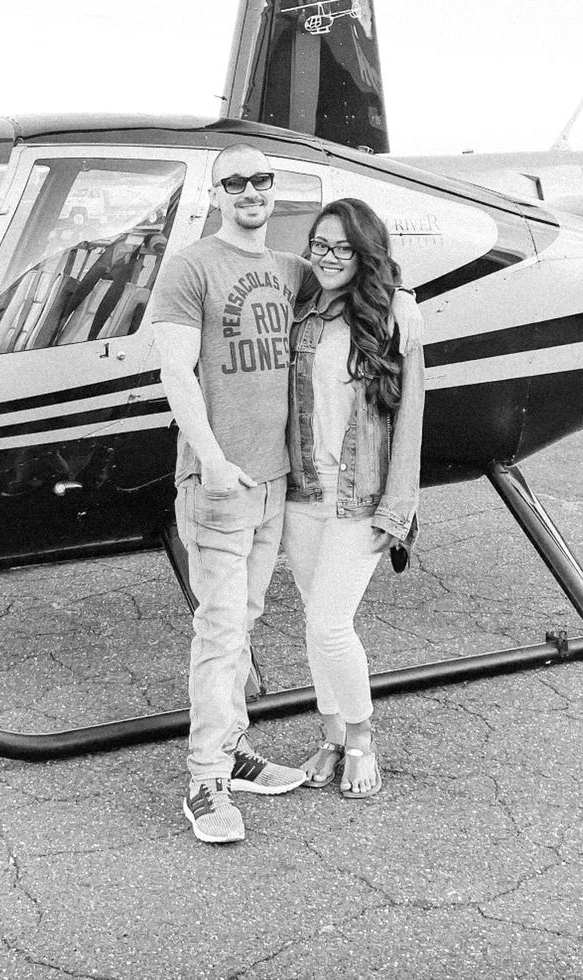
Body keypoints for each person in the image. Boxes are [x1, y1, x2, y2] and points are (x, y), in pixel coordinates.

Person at [151, 146, 416, 844]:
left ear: (274, 189)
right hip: (223, 482)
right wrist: (211, 460)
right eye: (234, 181)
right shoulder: (190, 268)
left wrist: (405, 303)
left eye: (260, 180)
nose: (249, 191)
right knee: (221, 630)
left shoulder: (292, 272)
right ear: (216, 191)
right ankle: (206, 780)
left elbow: (363, 277)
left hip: (283, 485)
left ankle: (236, 748)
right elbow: (175, 372)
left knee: (245, 621)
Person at [283, 197, 424, 801]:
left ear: (365, 254)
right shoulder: (301, 309)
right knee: (315, 621)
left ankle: (362, 737)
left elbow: (411, 415)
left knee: (329, 622)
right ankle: (332, 735)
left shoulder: (392, 319)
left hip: (360, 498)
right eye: (319, 245)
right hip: (302, 492)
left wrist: (399, 506)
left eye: (344, 248)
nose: (328, 257)